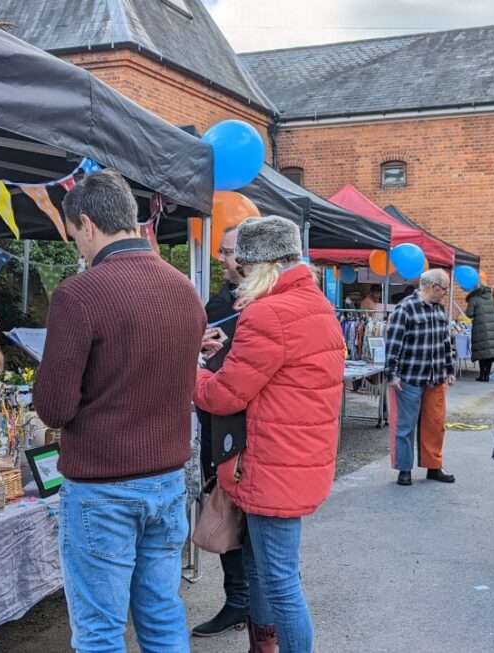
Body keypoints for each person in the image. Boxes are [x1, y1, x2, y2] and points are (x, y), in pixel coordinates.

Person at [34, 170, 205, 652]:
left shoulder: (79, 293)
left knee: (100, 630)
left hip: (103, 485)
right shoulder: (183, 289)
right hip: (168, 477)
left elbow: (53, 408)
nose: (77, 247)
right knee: (162, 614)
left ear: (87, 225)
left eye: (74, 235)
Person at [195, 215, 344, 653]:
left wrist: (192, 372)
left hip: (271, 463)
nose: (238, 277)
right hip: (296, 458)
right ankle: (262, 646)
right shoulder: (315, 304)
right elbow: (279, 376)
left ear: (260, 265)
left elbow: (225, 395)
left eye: (241, 267)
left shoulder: (268, 312)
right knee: (263, 569)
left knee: (279, 580)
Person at [191, 226, 251, 638]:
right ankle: (239, 600)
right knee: (224, 514)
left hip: (244, 430)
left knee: (253, 525)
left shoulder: (266, 305)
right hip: (217, 428)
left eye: (227, 252)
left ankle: (251, 604)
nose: (220, 259)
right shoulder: (219, 301)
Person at [385, 269, 456, 486]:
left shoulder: (440, 309)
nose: (445, 293)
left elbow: (445, 343)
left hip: (436, 377)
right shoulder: (405, 308)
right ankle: (404, 469)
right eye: (444, 289)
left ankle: (434, 467)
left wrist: (450, 369)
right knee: (405, 426)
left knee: (435, 424)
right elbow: (393, 343)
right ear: (432, 287)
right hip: (410, 377)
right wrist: (392, 374)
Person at [466, 285, 494, 382]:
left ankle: (482, 375)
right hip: (493, 328)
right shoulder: (492, 299)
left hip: (480, 328)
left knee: (481, 352)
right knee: (489, 353)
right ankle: (486, 375)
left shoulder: (474, 299)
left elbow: (469, 314)